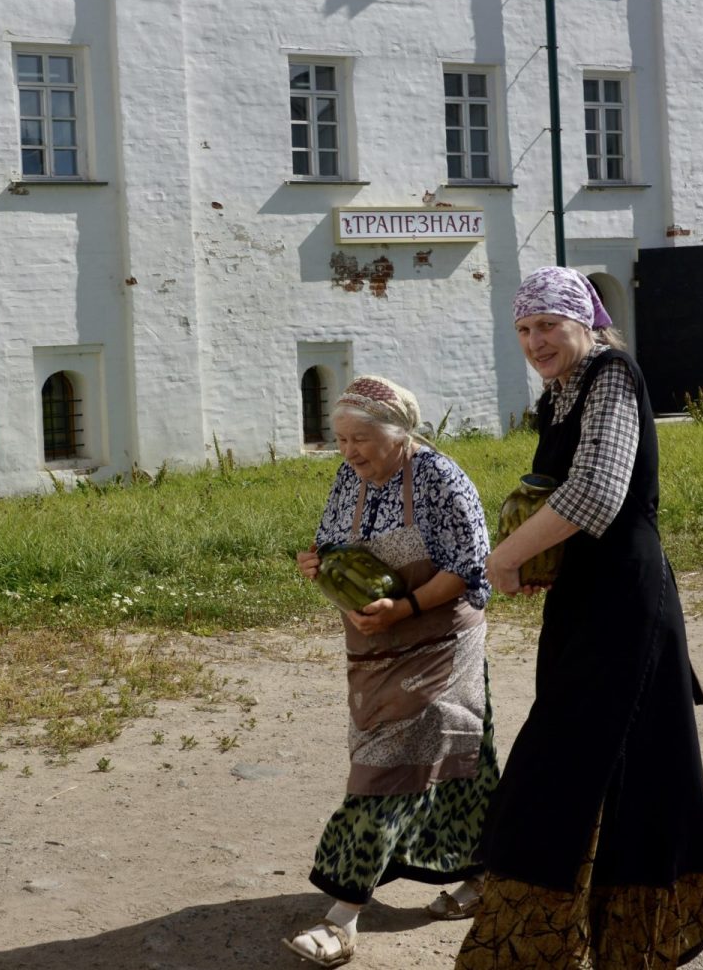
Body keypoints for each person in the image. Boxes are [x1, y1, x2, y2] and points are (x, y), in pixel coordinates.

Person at [458, 267, 703, 969]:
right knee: (631, 766)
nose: (535, 341)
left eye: (547, 326)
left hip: (624, 596)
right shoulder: (558, 395)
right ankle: (673, 918)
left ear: (584, 322)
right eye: (524, 330)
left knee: (559, 766)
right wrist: (539, 562)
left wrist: (503, 561)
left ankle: (527, 951)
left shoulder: (610, 374)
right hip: (585, 596)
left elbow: (594, 495)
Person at [286, 375, 499, 968]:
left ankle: (341, 916)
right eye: (341, 440)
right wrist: (316, 563)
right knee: (465, 757)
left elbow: (469, 567)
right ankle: (485, 874)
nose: (349, 452)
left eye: (361, 439)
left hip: (438, 641)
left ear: (401, 433)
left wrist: (404, 607)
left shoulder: (441, 478)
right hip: (374, 646)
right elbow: (332, 546)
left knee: (384, 768)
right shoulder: (351, 478)